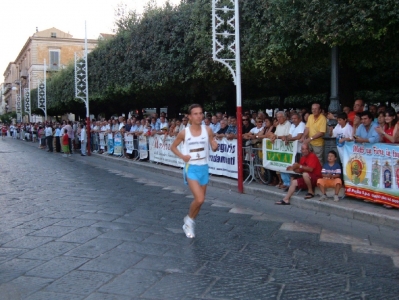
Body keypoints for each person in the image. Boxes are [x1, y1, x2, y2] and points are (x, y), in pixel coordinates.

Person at [170, 104, 218, 238]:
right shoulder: (184, 132)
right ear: (190, 117)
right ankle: (188, 220)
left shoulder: (207, 130)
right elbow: (173, 147)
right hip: (191, 168)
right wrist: (183, 156)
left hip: (204, 167)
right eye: (195, 114)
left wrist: (215, 146)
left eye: (201, 113)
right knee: (200, 198)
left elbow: (212, 144)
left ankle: (189, 222)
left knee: (200, 202)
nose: (199, 116)